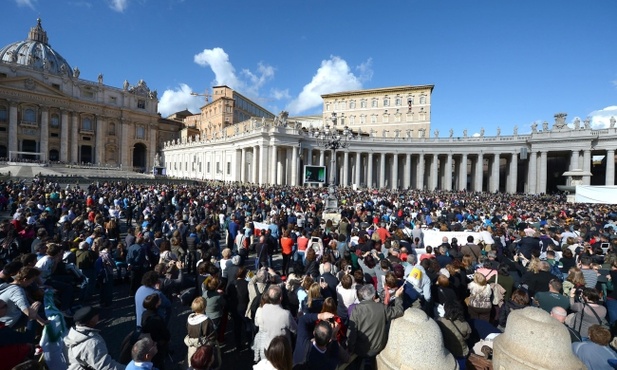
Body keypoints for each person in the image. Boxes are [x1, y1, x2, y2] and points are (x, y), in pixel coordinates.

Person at [346, 284, 404, 368]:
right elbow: (399, 311)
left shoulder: (356, 310)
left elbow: (351, 334)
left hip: (361, 349)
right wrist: (398, 297)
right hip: (378, 346)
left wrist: (350, 348)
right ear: (373, 297)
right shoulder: (382, 307)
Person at [64, 306, 126, 370]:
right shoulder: (92, 343)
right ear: (91, 321)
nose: (98, 316)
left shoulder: (73, 333)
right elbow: (106, 367)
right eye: (96, 315)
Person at [437, 301, 471, 369]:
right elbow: (468, 336)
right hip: (461, 351)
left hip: (448, 351)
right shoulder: (465, 324)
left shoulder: (441, 321)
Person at [140, 293, 170, 370]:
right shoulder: (157, 319)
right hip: (158, 345)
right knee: (159, 363)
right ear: (156, 304)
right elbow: (166, 334)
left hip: (148, 342)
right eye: (159, 300)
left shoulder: (144, 314)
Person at [185, 297, 216, 366]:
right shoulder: (206, 321)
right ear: (204, 307)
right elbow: (212, 335)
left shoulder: (189, 319)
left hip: (192, 345)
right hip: (203, 346)